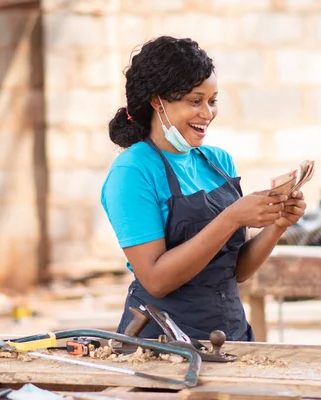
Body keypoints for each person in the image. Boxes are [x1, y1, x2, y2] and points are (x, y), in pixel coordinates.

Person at [100, 36, 307, 341]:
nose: (207, 113)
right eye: (195, 101)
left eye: (213, 101)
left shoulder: (218, 162)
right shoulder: (133, 172)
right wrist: (231, 218)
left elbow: (234, 271)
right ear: (158, 102)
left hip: (228, 334)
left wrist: (277, 225)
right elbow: (156, 280)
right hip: (163, 345)